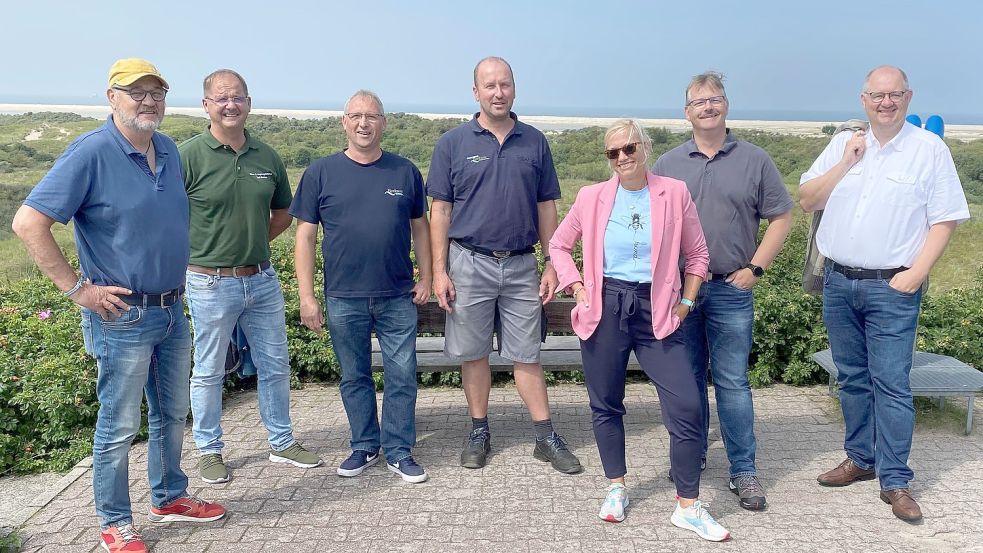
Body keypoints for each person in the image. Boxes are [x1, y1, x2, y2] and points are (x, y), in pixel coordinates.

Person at [11, 58, 225, 553]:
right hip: (121, 315)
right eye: (136, 92)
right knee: (119, 424)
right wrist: (77, 290)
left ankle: (169, 497)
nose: (148, 100)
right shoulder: (90, 152)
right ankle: (114, 521)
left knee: (173, 413)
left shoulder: (168, 149)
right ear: (112, 97)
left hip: (173, 309)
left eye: (156, 91)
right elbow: (28, 223)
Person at [800, 65, 970, 522]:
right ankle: (860, 458)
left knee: (891, 385)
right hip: (838, 282)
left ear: (908, 97)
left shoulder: (928, 149)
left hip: (893, 287)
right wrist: (846, 161)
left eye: (894, 95)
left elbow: (946, 218)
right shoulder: (843, 144)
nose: (886, 102)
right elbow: (807, 199)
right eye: (878, 95)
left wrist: (917, 273)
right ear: (863, 100)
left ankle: (895, 480)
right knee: (852, 377)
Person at [549, 119, 729, 540]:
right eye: (613, 152)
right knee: (606, 403)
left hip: (658, 308)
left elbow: (697, 253)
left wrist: (687, 301)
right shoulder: (592, 197)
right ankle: (616, 486)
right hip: (606, 305)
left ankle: (688, 504)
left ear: (645, 147)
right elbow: (559, 244)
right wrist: (576, 286)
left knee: (687, 403)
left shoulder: (673, 192)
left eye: (630, 148)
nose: (623, 157)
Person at [427, 57, 581, 474]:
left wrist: (553, 263)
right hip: (468, 262)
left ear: (514, 89)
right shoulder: (453, 143)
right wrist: (439, 271)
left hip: (520, 265)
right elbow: (439, 210)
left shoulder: (534, 142)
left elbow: (546, 206)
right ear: (475, 92)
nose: (498, 92)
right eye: (490, 86)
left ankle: (545, 436)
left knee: (526, 353)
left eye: (505, 85)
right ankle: (479, 430)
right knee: (473, 353)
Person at [653, 71, 794, 511]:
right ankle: (691, 460)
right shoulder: (667, 164)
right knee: (688, 383)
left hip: (732, 288)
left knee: (732, 382)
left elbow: (782, 217)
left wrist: (756, 267)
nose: (708, 107)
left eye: (715, 99)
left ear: (726, 105)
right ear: (687, 112)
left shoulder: (755, 160)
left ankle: (743, 470)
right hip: (681, 293)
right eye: (699, 102)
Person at [179, 69, 322, 484]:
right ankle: (209, 450)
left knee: (275, 364)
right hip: (208, 281)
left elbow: (282, 213)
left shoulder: (266, 155)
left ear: (249, 103)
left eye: (238, 97)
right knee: (208, 370)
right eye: (221, 98)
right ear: (206, 105)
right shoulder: (187, 156)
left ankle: (281, 441)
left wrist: (251, 245)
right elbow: (168, 216)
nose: (230, 105)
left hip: (261, 280)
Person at [292, 90, 433, 483]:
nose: (363, 123)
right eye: (356, 115)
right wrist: (307, 296)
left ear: (384, 123)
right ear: (344, 122)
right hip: (343, 297)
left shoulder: (404, 171)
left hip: (397, 294)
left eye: (372, 116)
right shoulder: (321, 172)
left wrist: (427, 276)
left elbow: (420, 228)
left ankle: (400, 450)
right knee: (354, 375)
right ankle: (365, 445)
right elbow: (305, 238)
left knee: (402, 374)